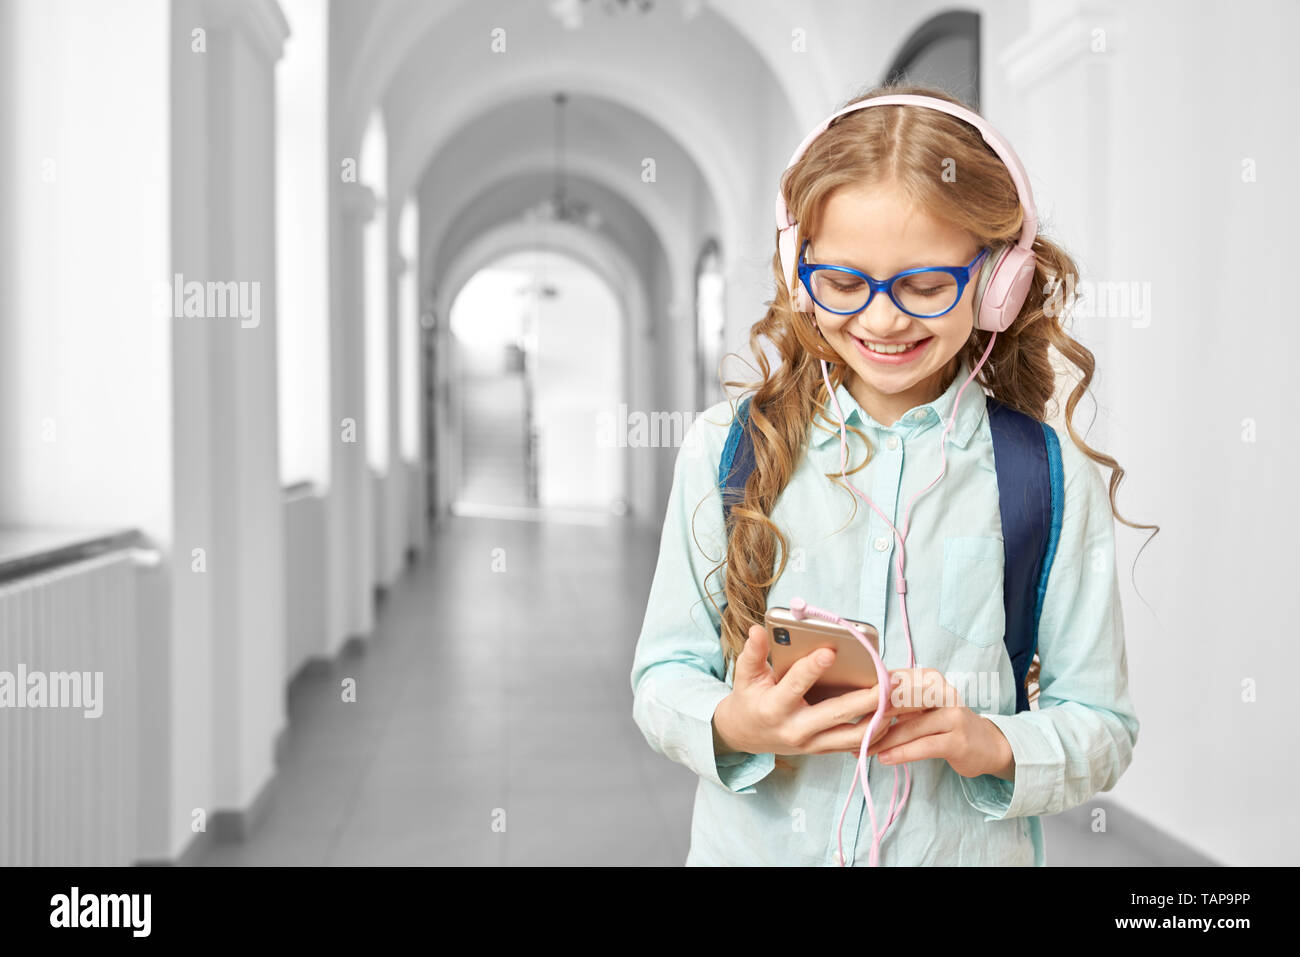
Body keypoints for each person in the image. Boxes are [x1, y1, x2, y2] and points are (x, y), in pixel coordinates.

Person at [629, 83, 1155, 866]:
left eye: (924, 285)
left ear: (999, 282)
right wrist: (737, 725)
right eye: (843, 283)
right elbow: (663, 674)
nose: (881, 320)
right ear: (795, 267)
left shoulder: (1045, 475)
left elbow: (1102, 725)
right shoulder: (723, 449)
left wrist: (992, 744)